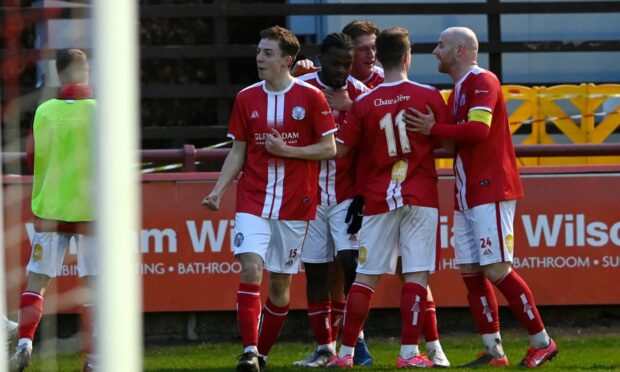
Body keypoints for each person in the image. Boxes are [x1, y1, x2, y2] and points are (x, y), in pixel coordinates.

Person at [296, 20, 450, 367]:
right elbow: (451, 141)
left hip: (377, 196)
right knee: (414, 274)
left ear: (380, 55)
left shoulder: (366, 101)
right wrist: (435, 128)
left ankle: (346, 353)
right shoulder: (427, 95)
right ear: (408, 56)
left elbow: (341, 148)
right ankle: (409, 353)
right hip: (417, 193)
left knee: (364, 276)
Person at [405, 26, 559, 368]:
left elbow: (477, 131)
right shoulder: (457, 90)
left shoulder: (482, 81)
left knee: (496, 268)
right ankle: (494, 350)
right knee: (471, 271)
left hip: (491, 188)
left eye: (441, 45)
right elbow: (452, 140)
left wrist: (431, 129)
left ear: (461, 50)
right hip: (466, 192)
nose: (435, 51)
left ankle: (543, 341)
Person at [201, 26, 337, 372]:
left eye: (267, 53)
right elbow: (237, 153)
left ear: (287, 60)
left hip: (296, 204)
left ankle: (261, 353)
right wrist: (218, 191)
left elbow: (329, 148)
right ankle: (248, 351)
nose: (259, 58)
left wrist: (287, 150)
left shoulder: (311, 98)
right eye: (259, 51)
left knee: (280, 285)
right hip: (254, 199)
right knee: (251, 269)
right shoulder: (246, 98)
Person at [11, 49, 97, 372]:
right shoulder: (101, 111)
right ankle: (94, 360)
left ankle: (25, 344)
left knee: (37, 282)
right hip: (91, 211)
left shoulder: (45, 111)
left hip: (51, 207)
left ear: (59, 76)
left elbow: (33, 159)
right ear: (85, 72)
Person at [293, 33, 369, 367]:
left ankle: (356, 343)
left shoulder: (361, 95)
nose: (342, 71)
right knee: (315, 271)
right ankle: (325, 347)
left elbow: (375, 139)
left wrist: (352, 108)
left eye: (347, 64)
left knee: (351, 263)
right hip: (309, 194)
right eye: (336, 63)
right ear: (321, 59)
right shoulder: (301, 86)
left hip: (346, 195)